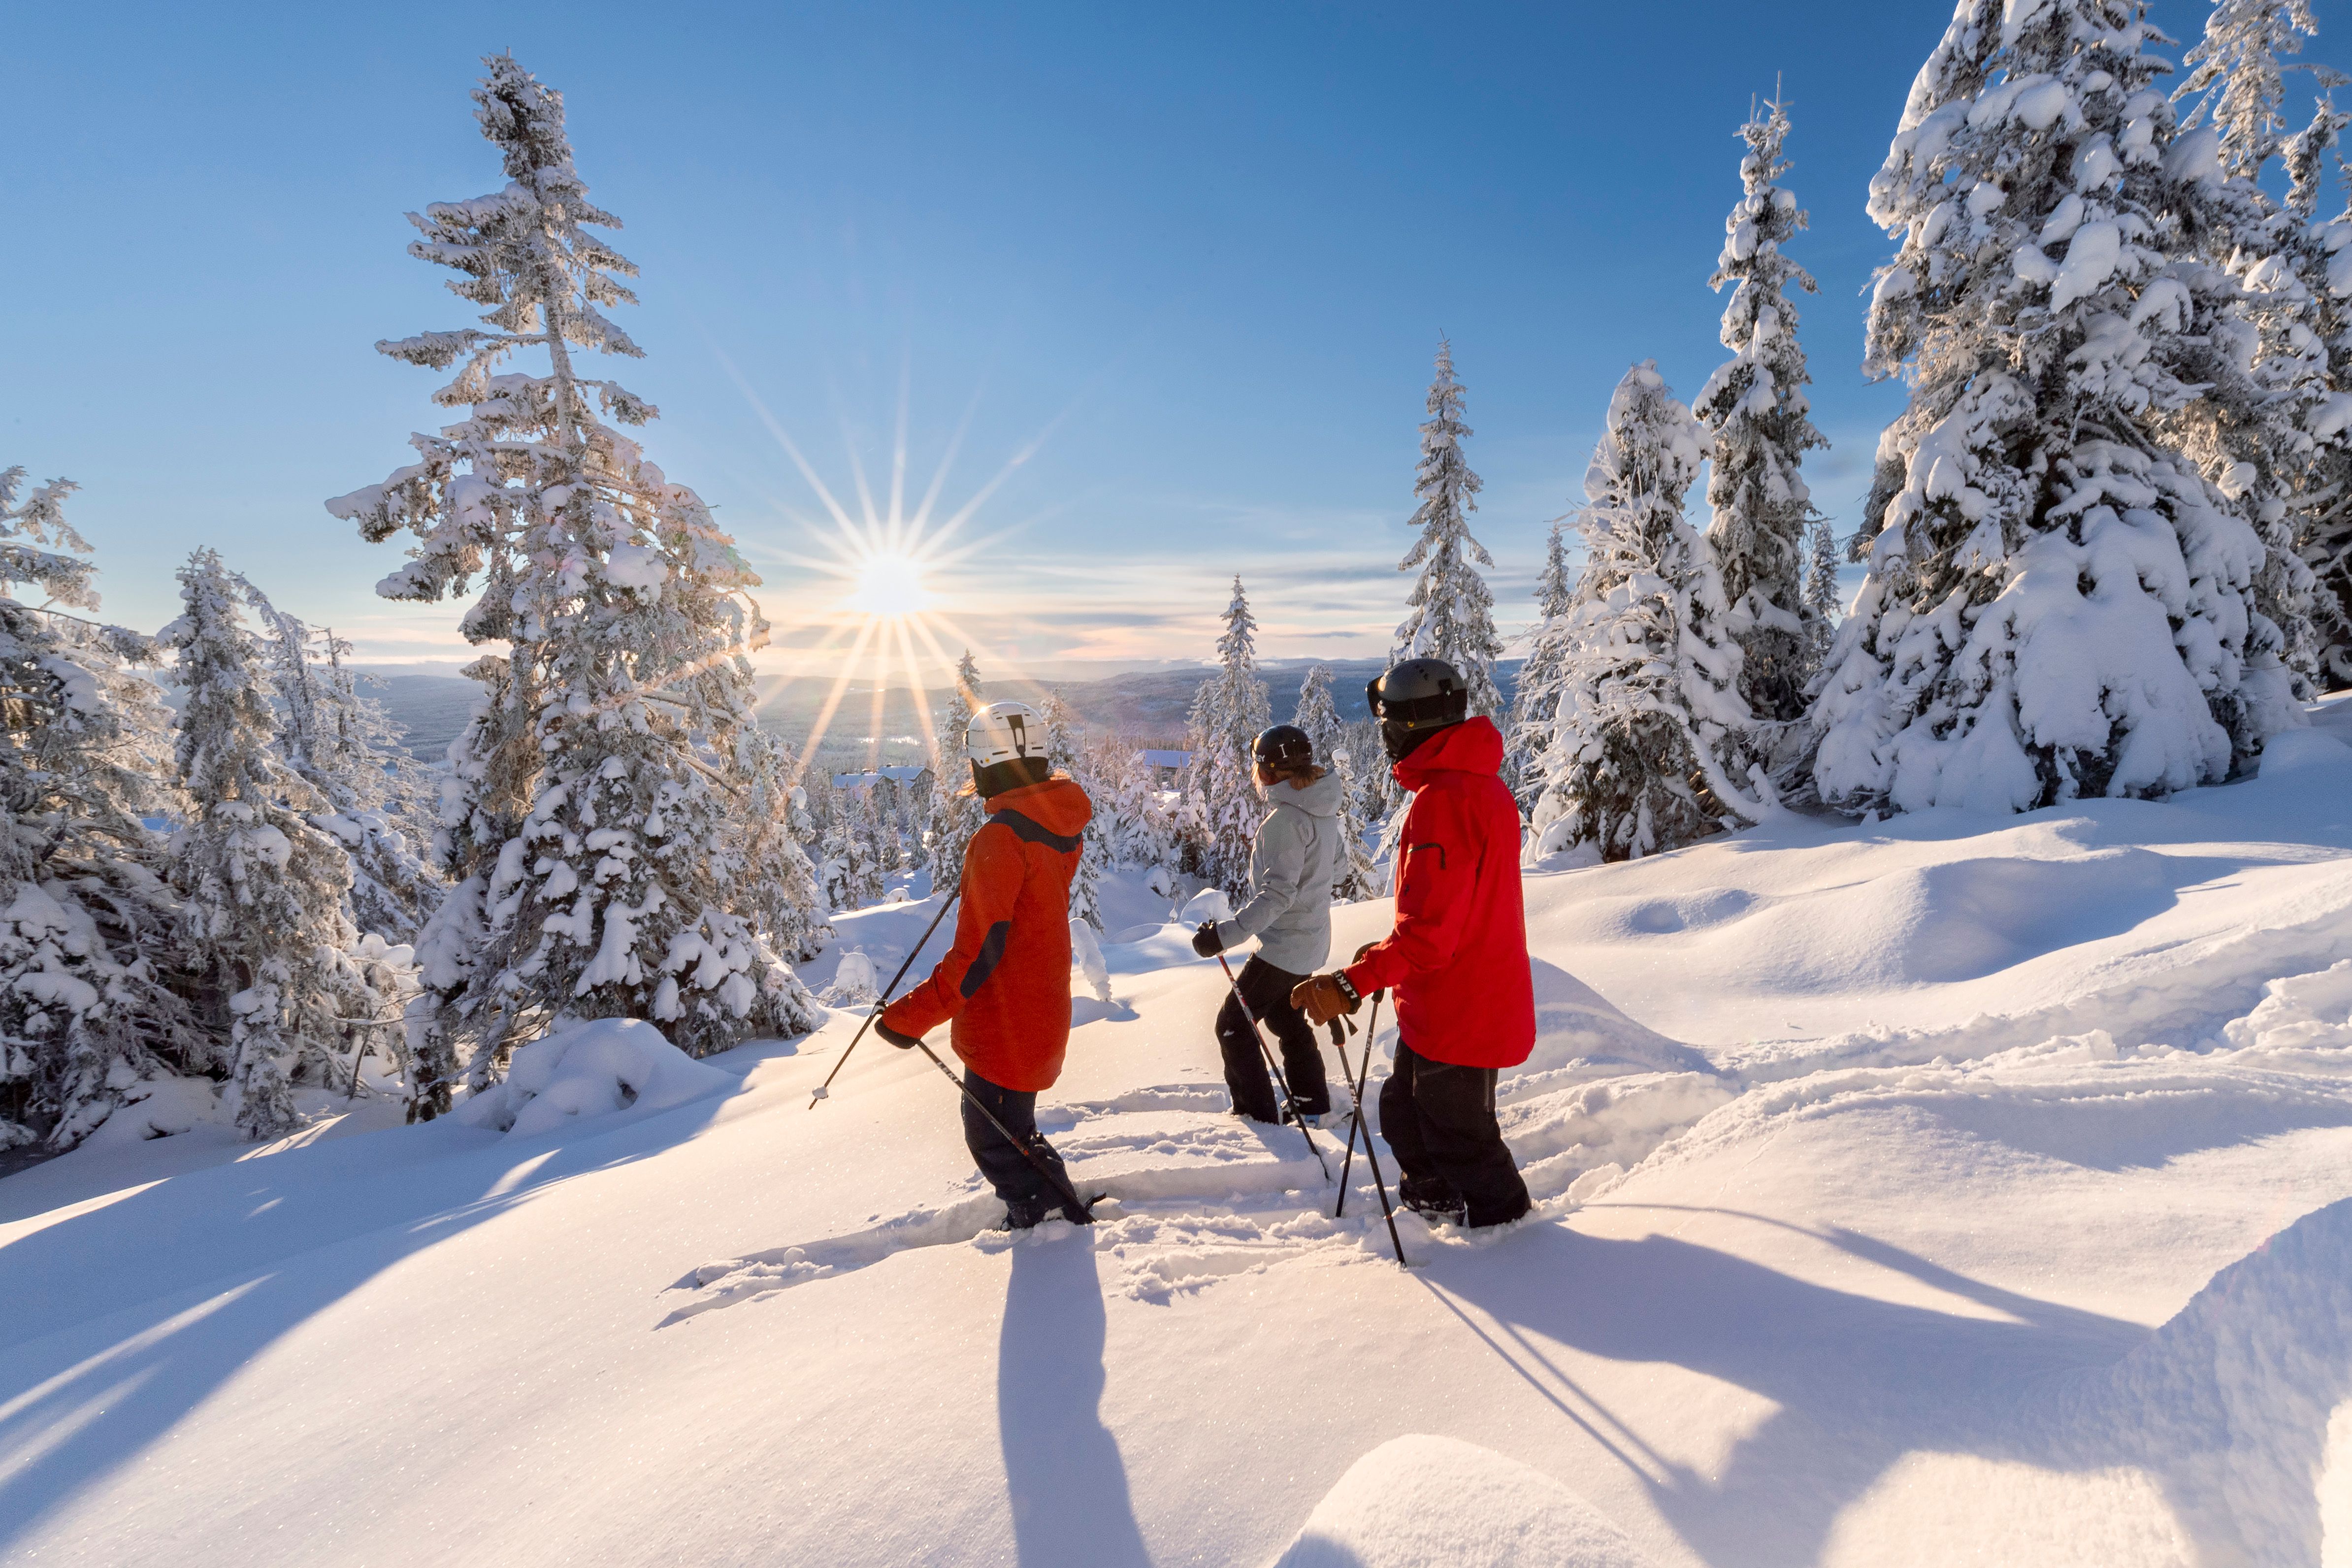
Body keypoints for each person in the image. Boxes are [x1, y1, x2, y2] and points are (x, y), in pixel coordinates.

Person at [1291, 658, 1534, 1229]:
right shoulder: (1475, 787)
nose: (1385, 735)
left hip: (1462, 1010)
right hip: (1452, 1003)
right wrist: (1381, 956)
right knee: (1404, 1111)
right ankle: (1436, 1205)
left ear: (1415, 725)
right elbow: (1447, 913)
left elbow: (1429, 939)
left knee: (1462, 1142)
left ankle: (1517, 1244)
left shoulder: (1444, 804)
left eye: (1391, 722)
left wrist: (1353, 984)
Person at [877, 701, 1096, 1229]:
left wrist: (909, 1018)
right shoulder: (1052, 825)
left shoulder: (1002, 837)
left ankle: (1044, 1221)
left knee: (992, 1135)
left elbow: (977, 955)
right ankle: (1053, 1206)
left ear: (983, 765)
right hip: (1038, 1006)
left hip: (1007, 1022)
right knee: (1011, 1128)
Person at [1190, 724, 1342, 1126]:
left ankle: (1256, 1118)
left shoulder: (1286, 821)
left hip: (1285, 947)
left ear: (1270, 773)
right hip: (1310, 940)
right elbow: (1339, 868)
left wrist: (1223, 936)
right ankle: (1312, 1104)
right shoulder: (1322, 810)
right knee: (1283, 1018)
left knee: (1232, 1027)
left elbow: (1277, 896)